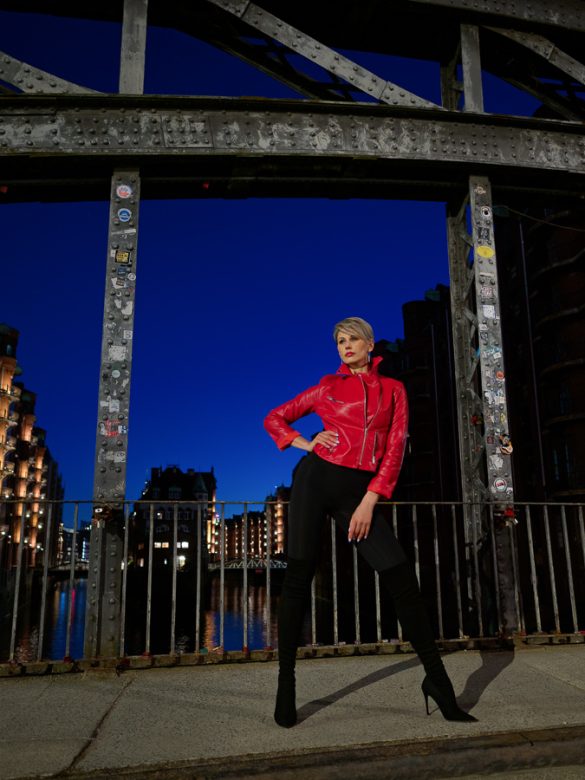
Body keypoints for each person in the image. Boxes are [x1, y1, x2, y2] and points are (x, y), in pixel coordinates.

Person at [264, 316, 477, 728]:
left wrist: (371, 500)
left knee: (402, 581)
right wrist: (305, 442)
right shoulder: (328, 386)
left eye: (351, 339)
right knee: (297, 579)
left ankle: (439, 685)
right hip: (314, 479)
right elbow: (275, 417)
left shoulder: (394, 390)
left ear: (369, 344)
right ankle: (286, 685)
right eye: (339, 341)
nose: (345, 346)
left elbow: (395, 447)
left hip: (360, 492)